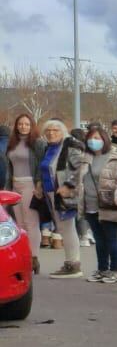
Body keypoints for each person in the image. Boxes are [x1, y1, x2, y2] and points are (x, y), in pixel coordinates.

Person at [39, 119, 88, 279]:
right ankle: (70, 262)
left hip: (65, 194)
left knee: (67, 228)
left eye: (55, 130)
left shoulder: (71, 145)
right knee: (63, 229)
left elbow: (81, 167)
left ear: (63, 131)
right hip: (51, 193)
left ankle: (73, 265)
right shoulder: (50, 147)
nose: (51, 133)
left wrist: (68, 185)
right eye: (48, 131)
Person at [80, 124, 117, 283]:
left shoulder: (114, 157)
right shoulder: (86, 158)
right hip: (90, 204)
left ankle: (114, 270)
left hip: (109, 204)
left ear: (104, 139)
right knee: (99, 239)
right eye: (91, 138)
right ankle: (102, 269)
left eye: (97, 138)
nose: (93, 141)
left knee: (112, 238)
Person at [6, 113, 45, 272]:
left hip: (30, 184)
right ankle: (23, 257)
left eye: (27, 124)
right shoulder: (12, 143)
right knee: (19, 224)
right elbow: (9, 166)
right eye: (20, 124)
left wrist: (39, 184)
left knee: (31, 223)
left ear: (32, 126)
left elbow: (42, 165)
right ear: (16, 126)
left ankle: (34, 258)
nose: (23, 126)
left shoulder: (37, 143)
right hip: (15, 185)